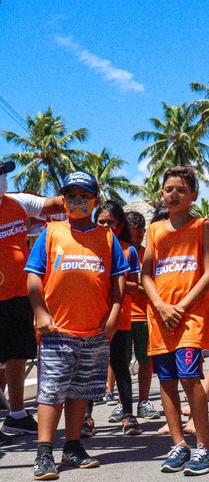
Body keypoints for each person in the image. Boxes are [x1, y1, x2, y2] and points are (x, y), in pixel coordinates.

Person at [24, 171, 129, 480]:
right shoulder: (52, 232)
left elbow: (117, 279)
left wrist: (114, 313)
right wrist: (41, 313)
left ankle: (72, 446)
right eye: (70, 196)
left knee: (81, 390)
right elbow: (33, 276)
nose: (76, 201)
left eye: (83, 196)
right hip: (57, 330)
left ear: (94, 201)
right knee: (52, 391)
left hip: (95, 330)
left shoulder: (107, 237)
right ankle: (44, 453)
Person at [141, 166, 209, 475]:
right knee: (167, 381)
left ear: (193, 196)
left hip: (190, 318)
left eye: (181, 190)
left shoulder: (203, 226)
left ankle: (205, 446)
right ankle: (178, 444)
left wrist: (180, 307)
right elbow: (146, 274)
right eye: (168, 189)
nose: (173, 194)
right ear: (162, 193)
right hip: (160, 318)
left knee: (190, 378)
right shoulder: (154, 230)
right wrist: (160, 306)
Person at [0, 160, 65, 442]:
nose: (2, 179)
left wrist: (80, 190)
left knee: (18, 354)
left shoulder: (18, 202)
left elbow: (54, 204)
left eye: (3, 174)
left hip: (19, 296)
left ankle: (16, 415)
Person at [90, 201, 143, 436]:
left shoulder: (127, 250)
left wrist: (116, 281)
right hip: (92, 319)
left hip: (119, 319)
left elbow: (136, 286)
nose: (105, 226)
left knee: (120, 367)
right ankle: (85, 418)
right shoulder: (88, 248)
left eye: (110, 222)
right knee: (90, 370)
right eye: (101, 222)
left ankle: (129, 416)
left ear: (119, 225)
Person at [125, 210, 160, 420]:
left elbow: (152, 284)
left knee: (145, 361)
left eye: (139, 236)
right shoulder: (120, 252)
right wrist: (137, 286)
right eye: (132, 236)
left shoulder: (148, 254)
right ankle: (124, 403)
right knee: (121, 362)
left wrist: (138, 287)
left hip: (144, 316)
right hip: (124, 316)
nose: (136, 240)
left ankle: (143, 401)